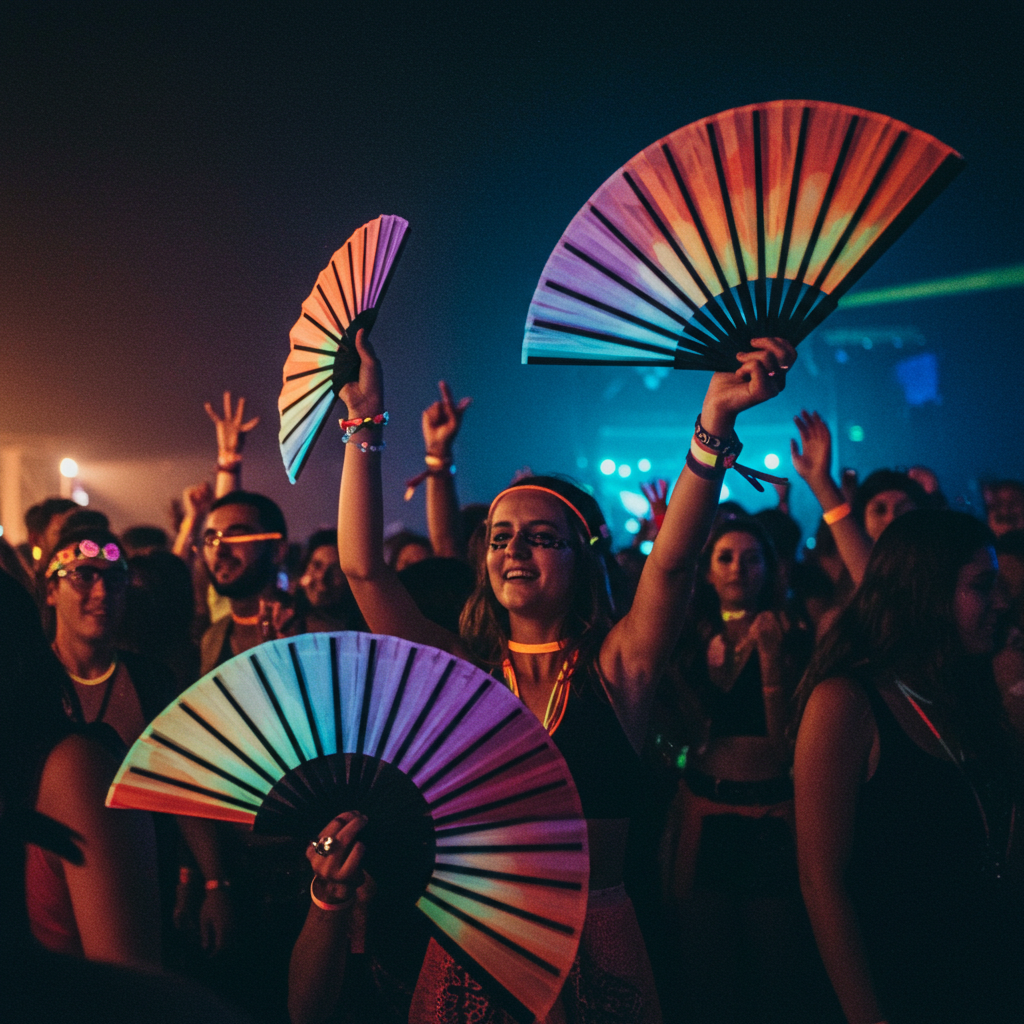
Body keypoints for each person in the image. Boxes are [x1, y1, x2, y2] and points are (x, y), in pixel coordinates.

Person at [288, 328, 796, 1024]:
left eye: (541, 536)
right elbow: (363, 570)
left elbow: (672, 566)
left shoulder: (618, 667)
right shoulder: (463, 675)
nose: (515, 549)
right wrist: (363, 420)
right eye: (500, 536)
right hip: (475, 950)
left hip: (593, 950)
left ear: (583, 560)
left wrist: (715, 420)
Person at [793, 509, 1023, 1024]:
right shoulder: (846, 703)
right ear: (927, 593)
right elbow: (820, 878)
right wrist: (867, 1015)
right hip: (897, 980)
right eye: (983, 585)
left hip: (987, 977)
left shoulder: (973, 693)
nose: (1003, 603)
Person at [660, 517, 814, 1023]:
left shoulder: (793, 632)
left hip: (767, 808)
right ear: (706, 570)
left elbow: (785, 741)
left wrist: (769, 658)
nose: (738, 569)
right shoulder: (690, 633)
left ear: (770, 568)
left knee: (777, 963)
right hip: (703, 801)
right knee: (704, 964)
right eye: (725, 557)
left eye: (752, 558)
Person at [198, 491, 290, 675]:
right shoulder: (212, 639)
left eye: (237, 536)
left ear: (277, 551)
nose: (220, 550)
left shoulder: (313, 634)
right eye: (211, 539)